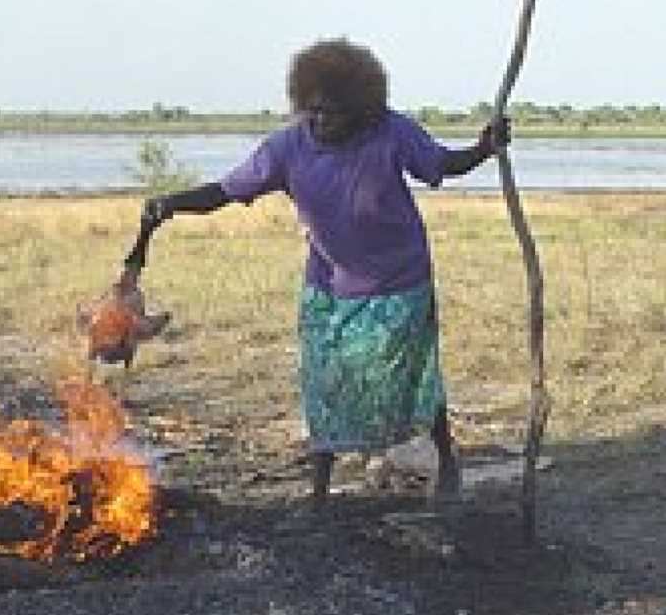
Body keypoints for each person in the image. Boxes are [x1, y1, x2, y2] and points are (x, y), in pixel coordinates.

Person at [134, 37, 510, 502]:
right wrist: (172, 204)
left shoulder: (390, 132)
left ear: (360, 110)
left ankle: (446, 461)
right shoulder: (286, 148)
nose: (319, 120)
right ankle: (320, 487)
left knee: (416, 375)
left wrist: (484, 148)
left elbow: (443, 164)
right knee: (324, 381)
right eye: (311, 109)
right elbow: (225, 191)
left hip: (399, 280)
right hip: (329, 285)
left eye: (331, 111)